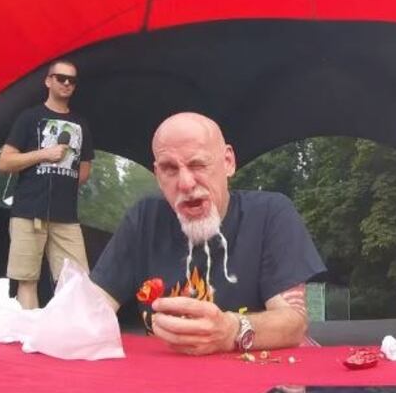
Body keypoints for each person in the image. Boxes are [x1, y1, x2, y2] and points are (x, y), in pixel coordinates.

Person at [90, 112, 326, 354]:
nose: (185, 183)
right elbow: (91, 309)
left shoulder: (270, 214)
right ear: (158, 175)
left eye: (198, 165)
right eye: (170, 169)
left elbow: (294, 323)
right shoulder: (144, 219)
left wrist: (232, 330)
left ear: (228, 162)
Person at [0, 60, 94, 309]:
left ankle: (68, 338)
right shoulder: (29, 117)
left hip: (66, 215)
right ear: (48, 81)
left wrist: (61, 178)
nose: (66, 83)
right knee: (27, 279)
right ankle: (31, 337)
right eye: (60, 77)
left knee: (76, 280)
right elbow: (5, 162)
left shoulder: (81, 123)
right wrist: (44, 155)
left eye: (71, 80)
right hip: (28, 211)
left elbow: (84, 170)